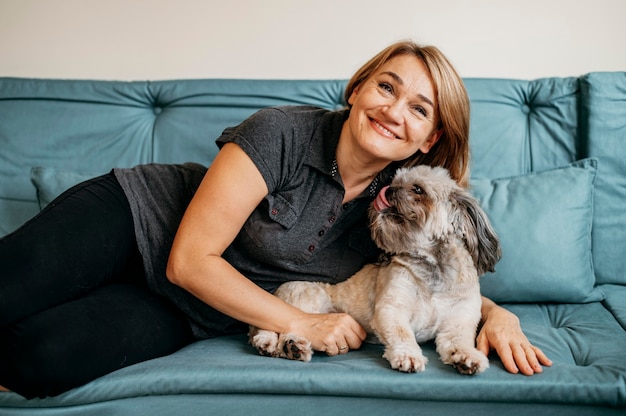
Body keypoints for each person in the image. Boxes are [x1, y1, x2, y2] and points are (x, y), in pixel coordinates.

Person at [0, 40, 551, 399]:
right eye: (386, 87)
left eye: (419, 107)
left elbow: (437, 274)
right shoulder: (281, 132)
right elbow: (191, 260)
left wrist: (498, 317)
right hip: (133, 219)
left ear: (429, 139)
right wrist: (303, 324)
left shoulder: (402, 208)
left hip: (194, 310)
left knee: (39, 360)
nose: (392, 110)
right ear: (359, 89)